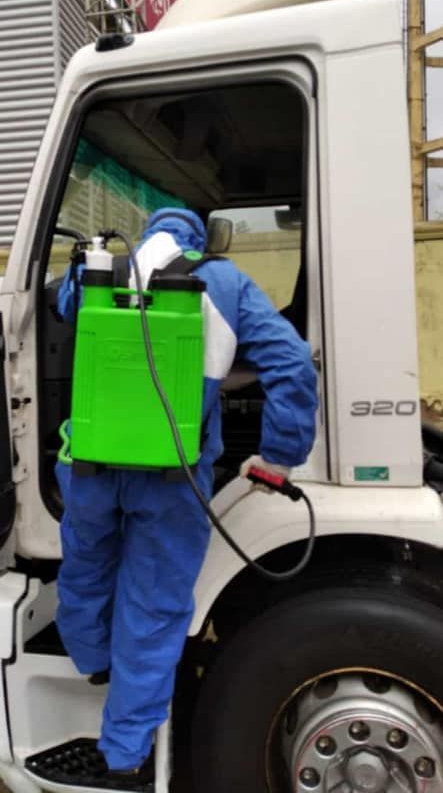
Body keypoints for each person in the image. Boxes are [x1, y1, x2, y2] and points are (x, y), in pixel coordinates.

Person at [55, 207, 318, 787]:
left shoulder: (97, 268)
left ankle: (93, 662)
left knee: (86, 570)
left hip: (88, 467)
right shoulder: (223, 282)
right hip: (171, 476)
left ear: (147, 232)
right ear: (199, 240)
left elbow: (64, 310)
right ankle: (124, 753)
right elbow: (292, 362)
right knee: (151, 606)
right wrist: (279, 455)